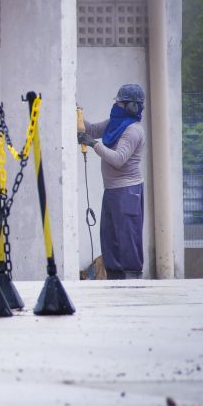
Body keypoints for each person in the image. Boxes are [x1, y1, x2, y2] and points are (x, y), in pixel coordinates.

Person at [77, 84, 146, 280]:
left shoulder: (133, 131)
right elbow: (91, 130)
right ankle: (115, 277)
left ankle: (132, 279)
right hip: (112, 191)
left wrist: (93, 144)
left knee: (127, 237)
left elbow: (118, 159)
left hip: (128, 191)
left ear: (132, 106)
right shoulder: (115, 124)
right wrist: (75, 113)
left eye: (120, 103)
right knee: (110, 237)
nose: (116, 106)